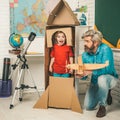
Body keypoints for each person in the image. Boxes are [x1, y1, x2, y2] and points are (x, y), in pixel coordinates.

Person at [76, 29, 118, 118]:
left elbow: (107, 69)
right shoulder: (85, 54)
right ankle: (105, 92)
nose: (84, 43)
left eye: (87, 41)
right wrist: (81, 75)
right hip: (95, 81)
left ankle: (102, 106)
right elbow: (84, 74)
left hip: (109, 78)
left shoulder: (106, 49)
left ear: (95, 43)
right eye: (84, 41)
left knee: (102, 78)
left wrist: (90, 71)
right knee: (88, 106)